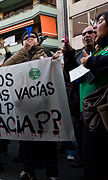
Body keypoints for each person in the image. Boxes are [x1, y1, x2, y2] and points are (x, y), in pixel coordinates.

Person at [4, 29, 58, 180]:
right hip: (24, 104)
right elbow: (6, 67)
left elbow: (60, 75)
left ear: (38, 40)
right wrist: (24, 51)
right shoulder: (19, 56)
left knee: (48, 141)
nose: (29, 39)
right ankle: (28, 171)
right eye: (26, 38)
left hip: (44, 104)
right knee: (27, 141)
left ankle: (52, 174)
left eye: (32, 37)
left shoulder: (47, 53)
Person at [62, 26, 97, 168]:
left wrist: (92, 61)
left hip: (100, 106)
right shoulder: (78, 55)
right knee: (83, 138)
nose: (87, 35)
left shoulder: (103, 52)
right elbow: (73, 72)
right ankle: (83, 161)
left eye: (90, 32)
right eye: (84, 33)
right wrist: (69, 52)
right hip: (83, 106)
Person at [80, 12, 108, 180]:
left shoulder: (96, 55)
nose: (96, 27)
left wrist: (91, 62)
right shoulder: (100, 50)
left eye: (101, 21)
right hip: (91, 110)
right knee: (92, 157)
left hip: (102, 109)